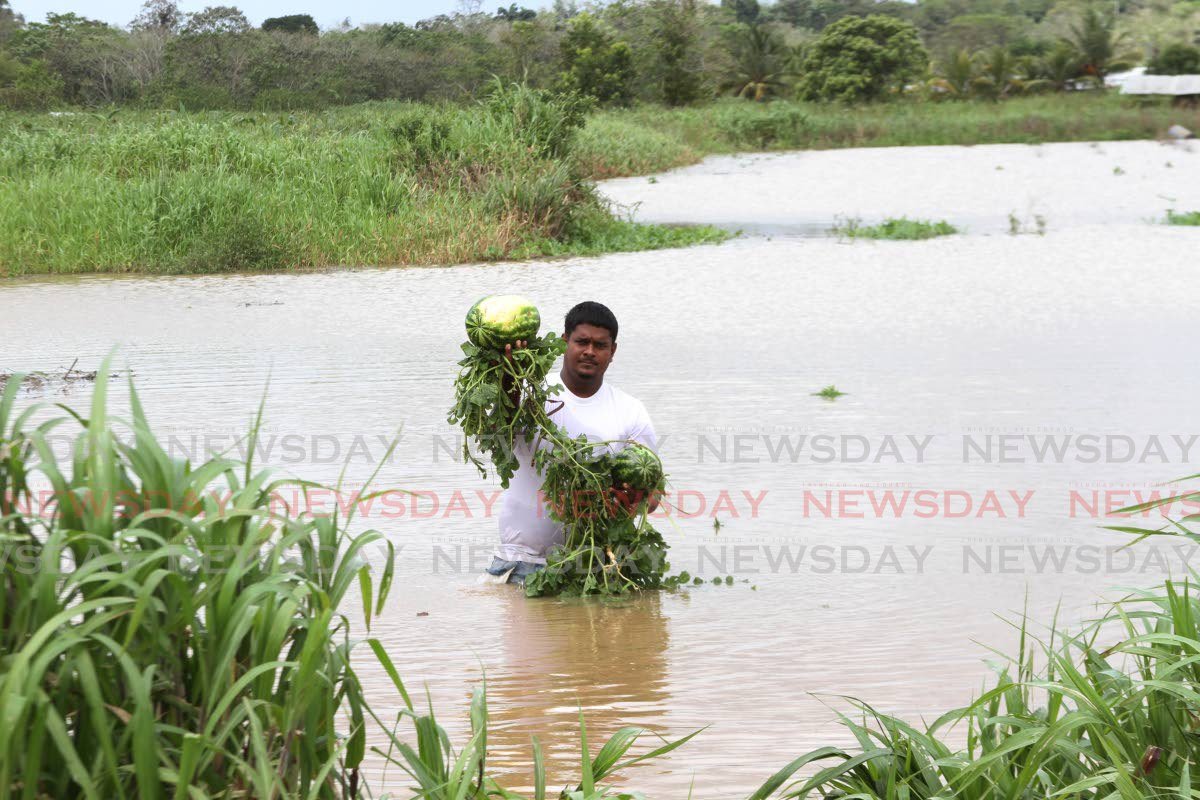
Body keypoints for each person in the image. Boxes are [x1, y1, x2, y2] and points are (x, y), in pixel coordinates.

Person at [485, 301, 660, 584]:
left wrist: (623, 499)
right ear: (565, 341)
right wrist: (507, 378)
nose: (590, 351)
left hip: (594, 565)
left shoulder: (631, 410)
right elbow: (496, 434)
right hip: (521, 563)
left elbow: (652, 495)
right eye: (582, 342)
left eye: (600, 345)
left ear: (612, 351)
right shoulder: (528, 394)